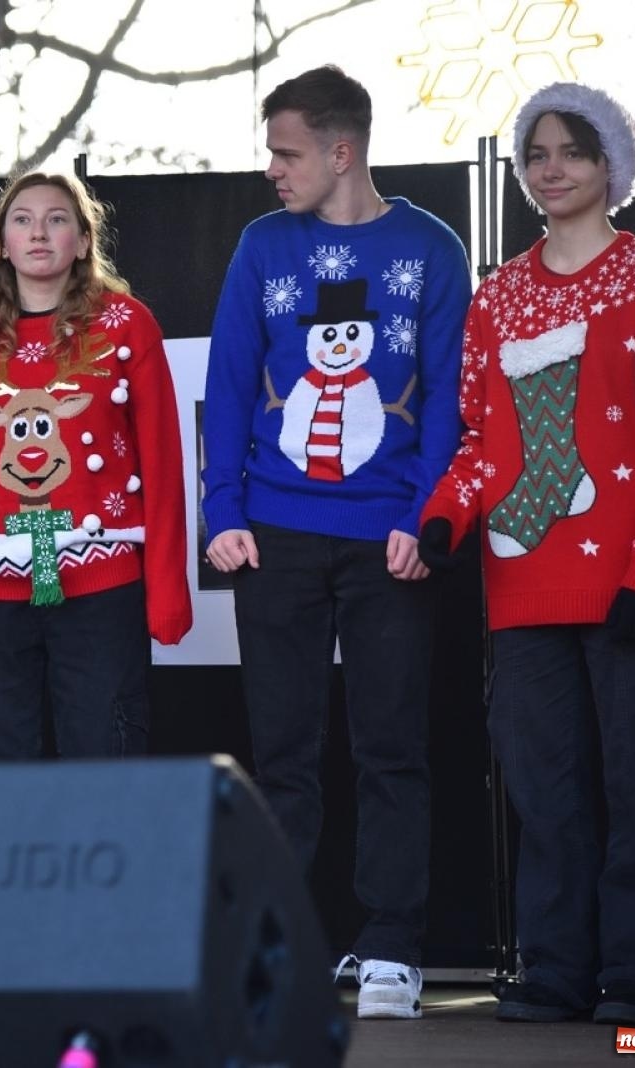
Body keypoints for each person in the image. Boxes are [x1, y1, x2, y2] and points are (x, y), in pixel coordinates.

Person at [417, 82, 635, 1028]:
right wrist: (445, 517)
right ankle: (554, 970)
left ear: (611, 165)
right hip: (523, 587)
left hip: (628, 585)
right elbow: (478, 439)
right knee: (546, 795)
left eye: (572, 152)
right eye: (536, 155)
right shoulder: (497, 296)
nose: (551, 170)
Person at [201, 65, 471, 1020]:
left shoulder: (431, 248)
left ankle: (392, 946)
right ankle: (285, 950)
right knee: (282, 755)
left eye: (286, 152)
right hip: (274, 537)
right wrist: (223, 512)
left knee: (391, 747)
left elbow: (450, 397)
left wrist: (424, 519)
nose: (272, 169)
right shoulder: (262, 244)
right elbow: (229, 383)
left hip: (390, 538)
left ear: (341, 150)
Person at [0, 171, 191, 760]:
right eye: (22, 220)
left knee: (104, 748)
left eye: (56, 219)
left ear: (82, 241)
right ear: (3, 244)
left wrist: (167, 587)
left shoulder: (126, 325)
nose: (38, 233)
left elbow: (162, 461)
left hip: (98, 585)